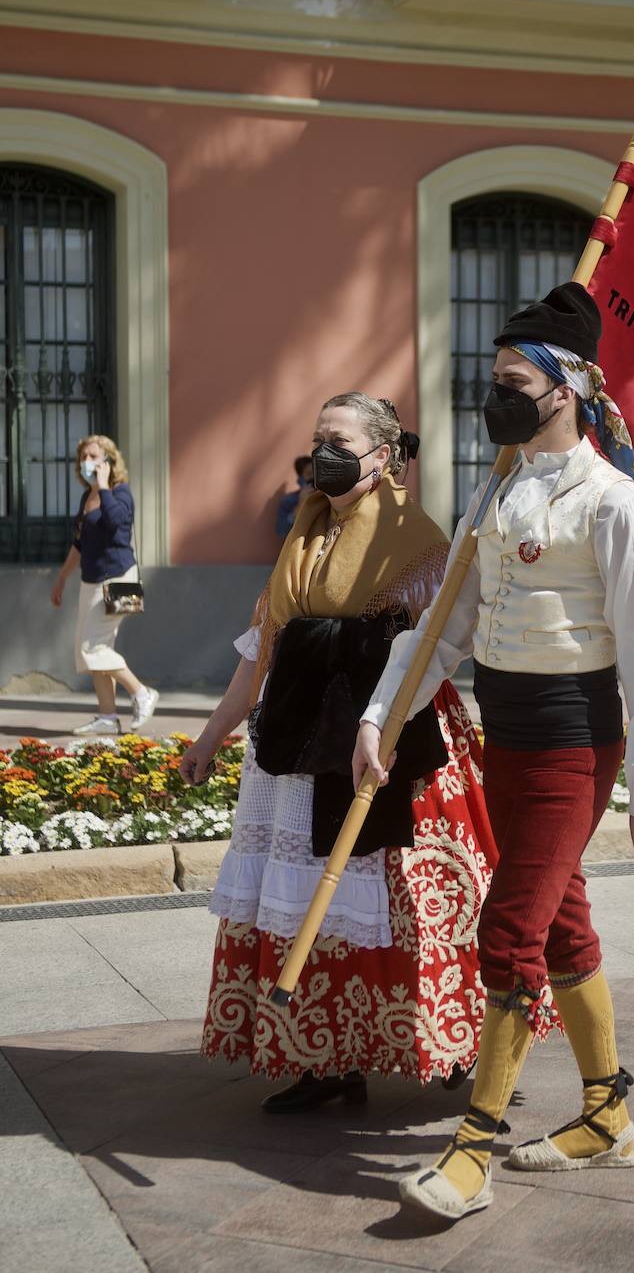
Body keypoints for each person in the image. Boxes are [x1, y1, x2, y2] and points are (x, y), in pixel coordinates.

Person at [354, 283, 634, 1220]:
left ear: (566, 388)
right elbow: (441, 630)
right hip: (506, 735)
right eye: (489, 377)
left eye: (510, 381)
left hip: (576, 743)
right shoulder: (494, 491)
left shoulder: (618, 506)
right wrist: (383, 714)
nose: (492, 394)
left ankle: (473, 1150)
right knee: (564, 921)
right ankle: (606, 1117)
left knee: (511, 932)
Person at [181, 393, 498, 1105]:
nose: (323, 450)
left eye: (338, 438)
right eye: (318, 437)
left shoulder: (415, 541)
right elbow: (261, 653)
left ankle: (450, 1040)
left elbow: (440, 649)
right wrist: (211, 736)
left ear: (381, 456)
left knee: (415, 902)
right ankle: (325, 1061)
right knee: (300, 909)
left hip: (395, 740)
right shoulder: (304, 531)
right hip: (298, 741)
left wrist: (381, 721)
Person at [50, 434, 158, 737]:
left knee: (92, 647)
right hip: (91, 581)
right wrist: (61, 578)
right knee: (94, 651)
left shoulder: (120, 493)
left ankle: (141, 693)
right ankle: (108, 716)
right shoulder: (88, 498)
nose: (87, 463)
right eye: (83, 457)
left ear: (109, 461)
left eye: (94, 456)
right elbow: (79, 544)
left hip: (117, 579)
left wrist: (105, 486)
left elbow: (117, 524)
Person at [275, 454, 313, 538]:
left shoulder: (328, 495)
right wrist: (301, 504)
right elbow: (282, 531)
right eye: (309, 474)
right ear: (301, 480)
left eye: (316, 472)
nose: (314, 477)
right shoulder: (289, 501)